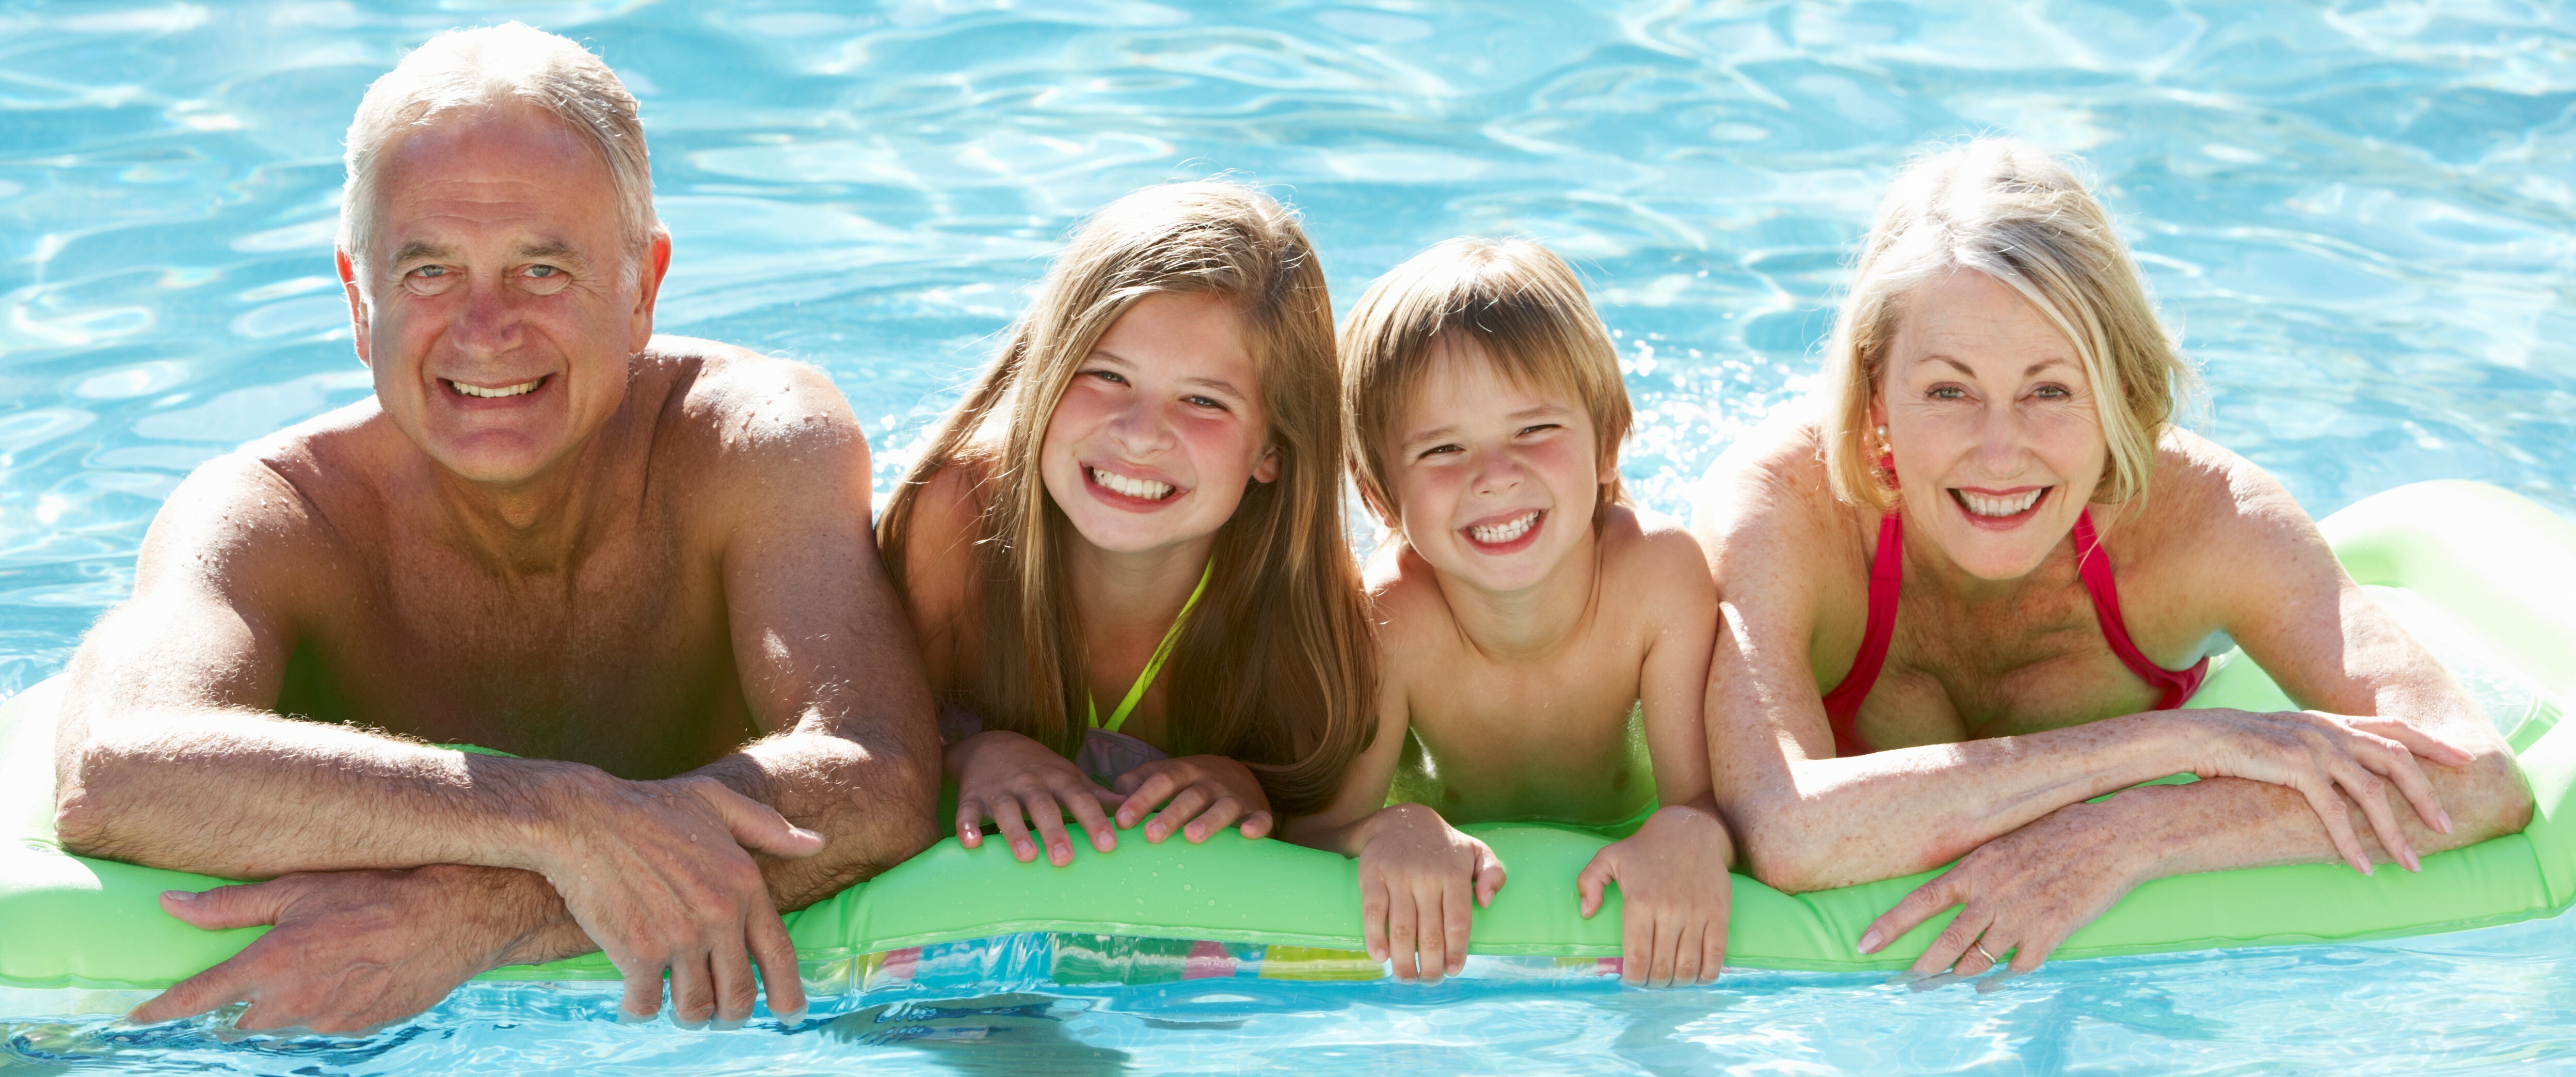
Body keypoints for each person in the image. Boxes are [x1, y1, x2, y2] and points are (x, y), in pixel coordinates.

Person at [47, 24, 940, 1034]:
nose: (484, 329)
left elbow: (881, 772)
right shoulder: (276, 512)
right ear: (358, 296)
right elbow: (115, 768)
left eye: (543, 270)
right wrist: (555, 816)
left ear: (643, 286)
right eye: (428, 272)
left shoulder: (752, 443)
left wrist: (487, 908)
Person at [1694, 138, 2532, 981]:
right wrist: (2176, 745)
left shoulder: (2208, 521)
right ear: (1876, 397)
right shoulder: (1786, 512)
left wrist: (2132, 832)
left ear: (2121, 393)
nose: (1999, 451)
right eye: (1949, 390)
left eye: (2050, 390)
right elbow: (1788, 830)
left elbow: (2478, 779)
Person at [874, 181, 1375, 868]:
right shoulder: (955, 524)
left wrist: (1256, 787)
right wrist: (970, 754)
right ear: (1046, 374)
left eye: (1203, 399)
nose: (1141, 436)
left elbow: (1331, 821)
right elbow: (863, 751)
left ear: (1273, 450)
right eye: (1107, 376)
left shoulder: (1300, 614)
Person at [1284, 239, 1733, 987]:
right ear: (1377, 494)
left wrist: (1690, 830)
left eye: (1534, 430)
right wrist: (1394, 827)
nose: (1495, 477)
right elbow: (1313, 829)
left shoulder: (1658, 580)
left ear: (1609, 445)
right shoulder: (1391, 620)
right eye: (1443, 449)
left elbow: (1715, 804)